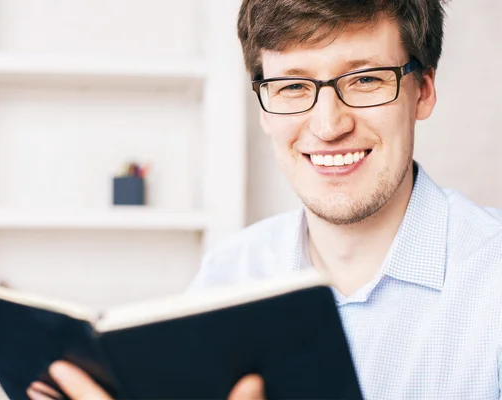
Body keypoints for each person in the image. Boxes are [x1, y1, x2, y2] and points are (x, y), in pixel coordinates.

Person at [28, 0, 502, 398]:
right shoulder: (228, 274)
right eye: (293, 86)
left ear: (423, 91)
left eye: (365, 79)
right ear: (264, 107)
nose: (328, 125)